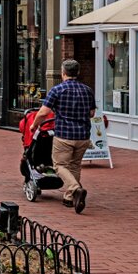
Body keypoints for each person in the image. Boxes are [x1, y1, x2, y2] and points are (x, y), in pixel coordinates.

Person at [29, 59, 95, 213]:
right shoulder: (87, 90)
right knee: (75, 165)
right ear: (77, 73)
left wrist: (34, 125)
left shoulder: (57, 90)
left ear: (63, 73)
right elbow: (92, 113)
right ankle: (70, 198)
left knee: (60, 166)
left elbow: (44, 112)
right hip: (83, 135)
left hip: (64, 134)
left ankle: (75, 188)